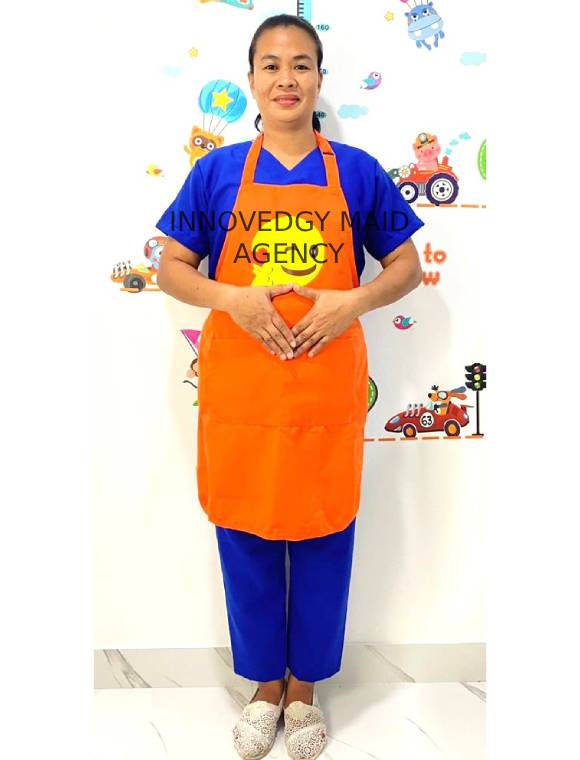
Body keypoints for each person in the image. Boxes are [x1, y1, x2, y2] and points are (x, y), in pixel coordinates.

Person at [155, 13, 424, 760]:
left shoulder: (357, 172)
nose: (286, 78)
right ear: (251, 80)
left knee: (324, 533)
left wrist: (352, 302)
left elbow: (406, 266)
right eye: (271, 65)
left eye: (301, 64)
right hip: (243, 394)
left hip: (324, 392)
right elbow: (169, 267)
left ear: (319, 80)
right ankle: (263, 689)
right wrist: (232, 299)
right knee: (244, 533)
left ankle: (304, 692)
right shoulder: (216, 174)